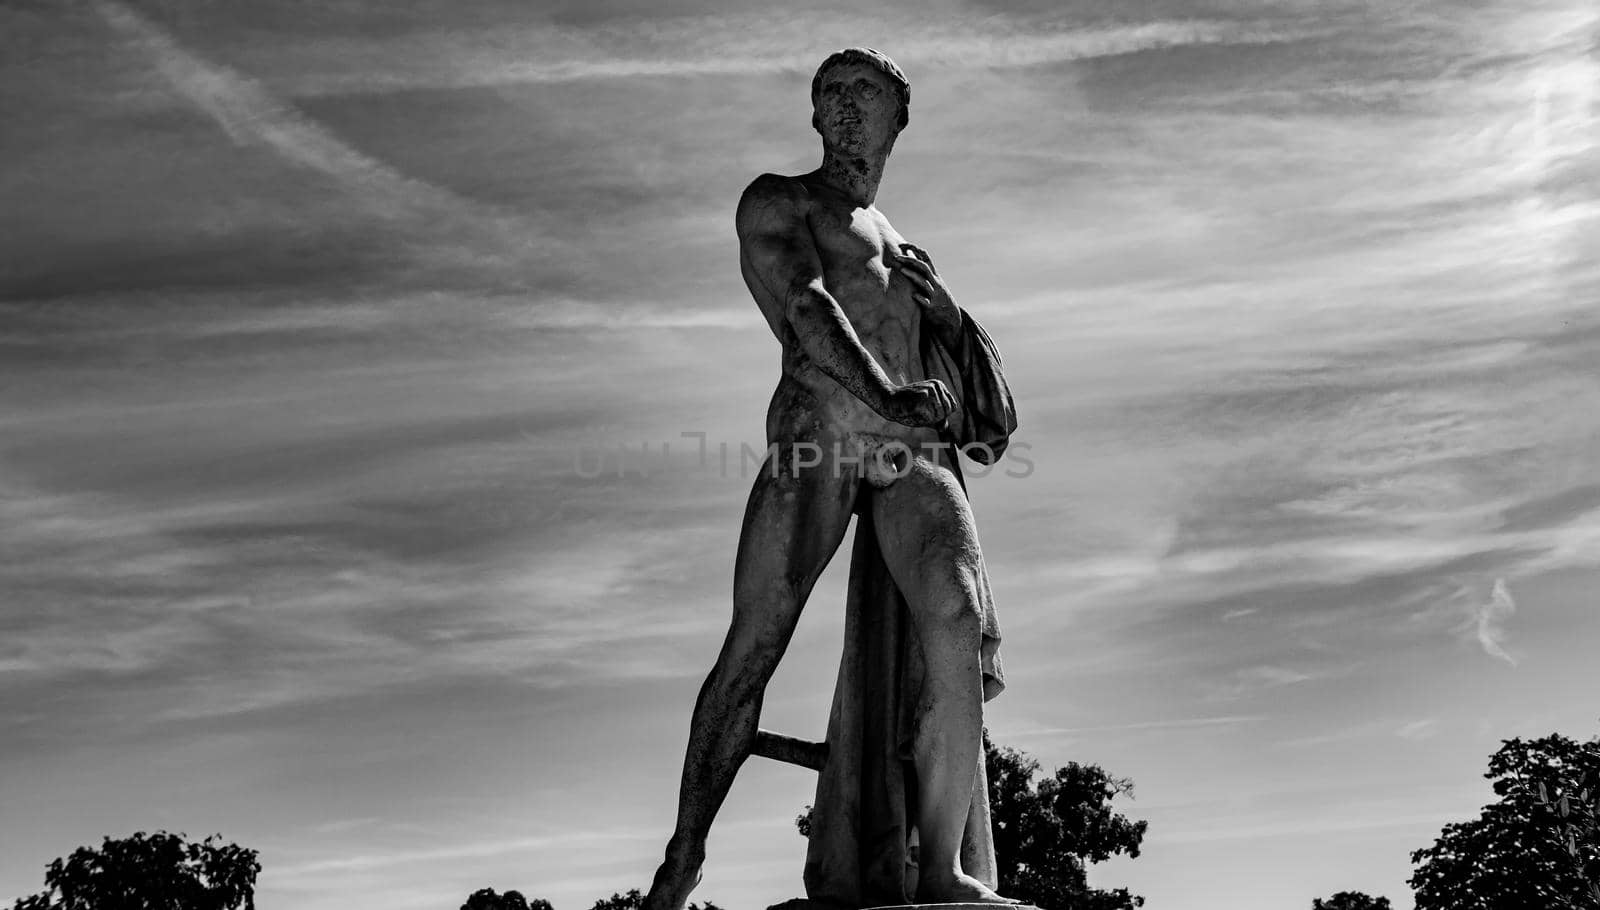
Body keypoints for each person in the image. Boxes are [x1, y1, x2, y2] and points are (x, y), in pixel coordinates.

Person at [643, 47, 1018, 910]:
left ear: (899, 117)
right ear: (813, 117)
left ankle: (941, 867)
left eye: (867, 92)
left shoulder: (904, 247)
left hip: (907, 457)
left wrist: (949, 319)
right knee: (754, 646)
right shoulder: (781, 199)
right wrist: (885, 389)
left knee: (957, 622)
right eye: (832, 94)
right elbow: (807, 306)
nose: (847, 107)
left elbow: (976, 398)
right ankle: (684, 856)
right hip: (819, 439)